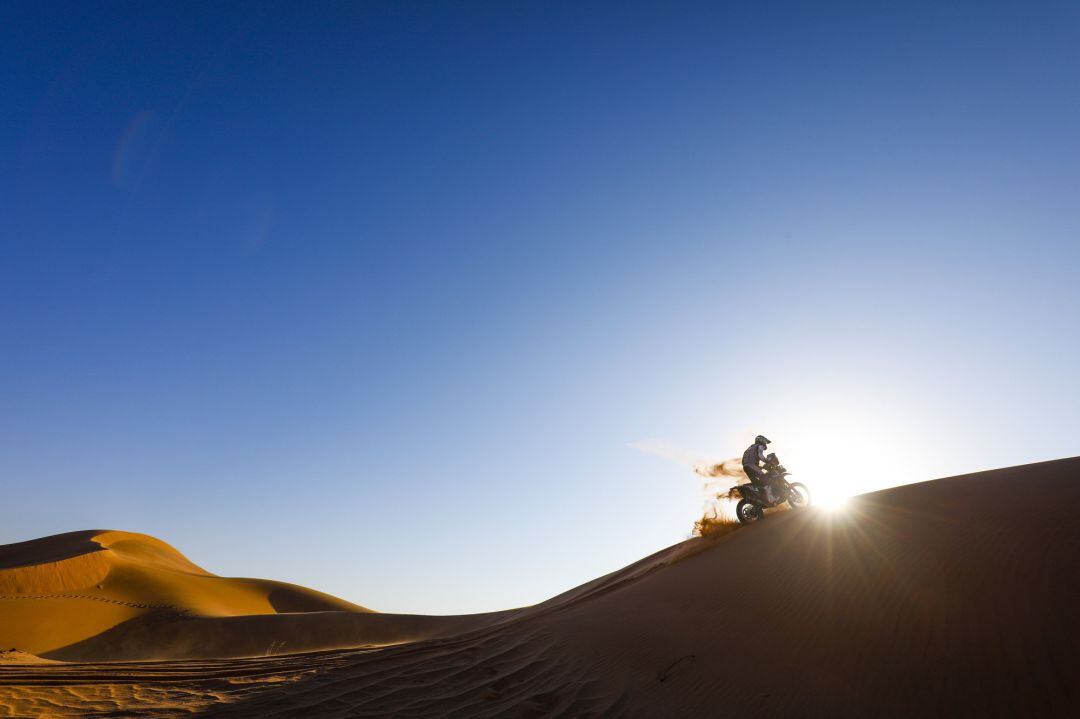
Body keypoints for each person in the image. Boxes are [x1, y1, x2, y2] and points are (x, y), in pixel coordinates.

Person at [742, 435, 774, 501]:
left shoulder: (751, 447)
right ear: (761, 440)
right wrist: (768, 461)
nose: (765, 443)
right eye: (765, 441)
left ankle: (760, 498)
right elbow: (760, 456)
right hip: (751, 465)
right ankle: (769, 498)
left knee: (757, 483)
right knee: (765, 478)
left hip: (746, 466)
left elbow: (750, 459)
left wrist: (760, 467)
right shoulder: (759, 446)